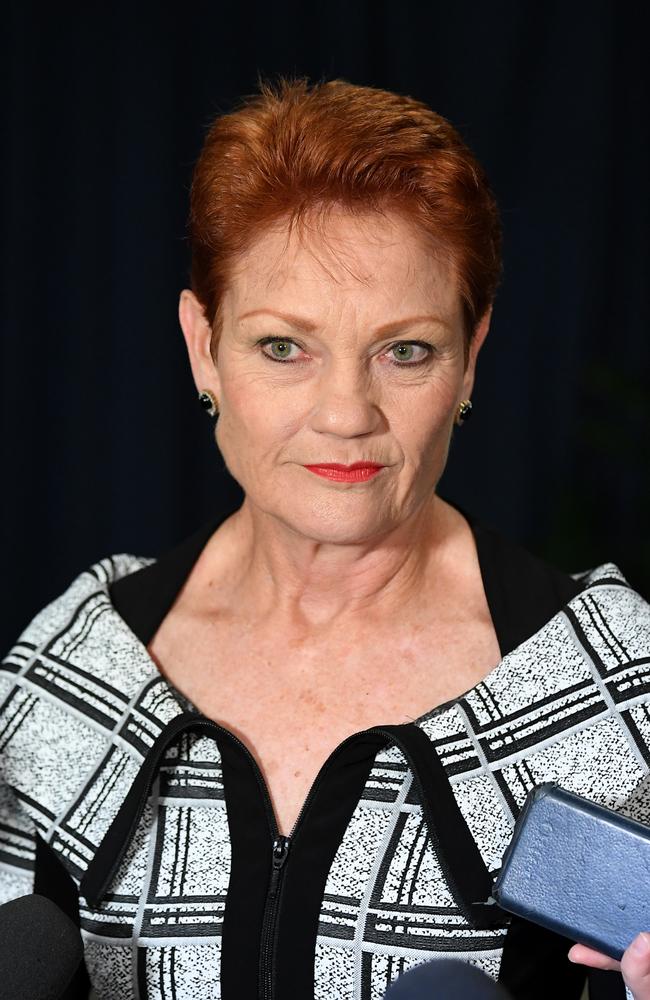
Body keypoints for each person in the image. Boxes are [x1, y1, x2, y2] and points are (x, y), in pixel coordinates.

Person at [1, 78, 649, 1000]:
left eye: (407, 350)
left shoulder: (615, 683)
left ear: (473, 356)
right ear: (202, 346)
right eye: (282, 347)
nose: (347, 414)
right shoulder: (73, 670)